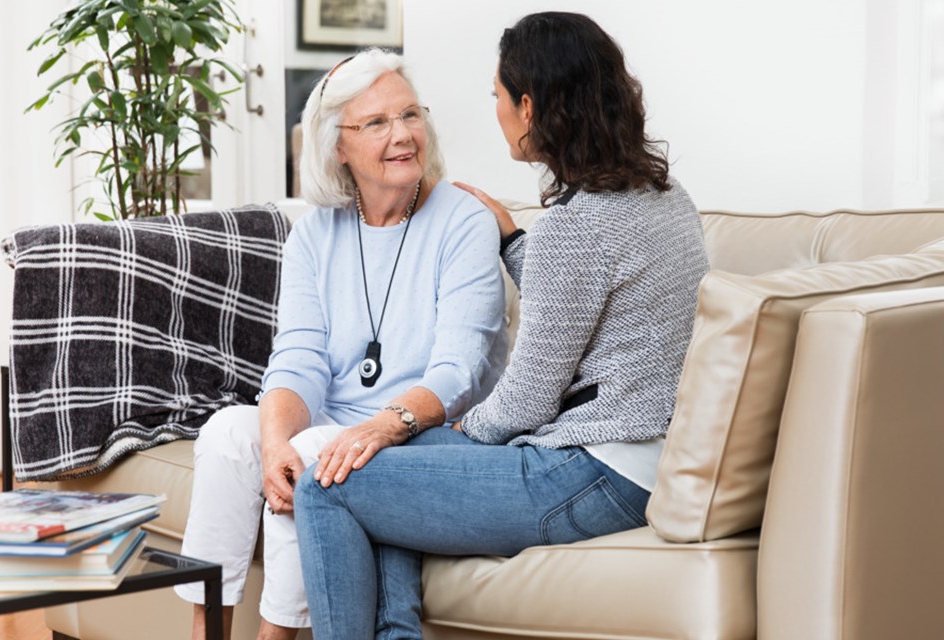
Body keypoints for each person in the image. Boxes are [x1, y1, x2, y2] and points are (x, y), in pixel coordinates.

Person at [294, 12, 712, 640]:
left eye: (496, 95)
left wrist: (464, 423)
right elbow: (593, 303)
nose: (493, 110)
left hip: (592, 474)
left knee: (328, 484)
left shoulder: (577, 227)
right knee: (389, 453)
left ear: (530, 105)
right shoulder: (663, 192)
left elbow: (529, 398)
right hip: (646, 460)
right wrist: (516, 243)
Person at [173, 48, 508, 640]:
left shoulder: (463, 220)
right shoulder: (313, 233)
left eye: (410, 115)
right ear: (336, 145)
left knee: (314, 456)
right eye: (376, 122)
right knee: (228, 433)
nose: (403, 134)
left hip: (418, 430)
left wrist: (355, 433)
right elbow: (298, 357)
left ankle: (275, 637)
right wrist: (274, 440)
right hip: (333, 420)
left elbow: (459, 372)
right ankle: (206, 632)